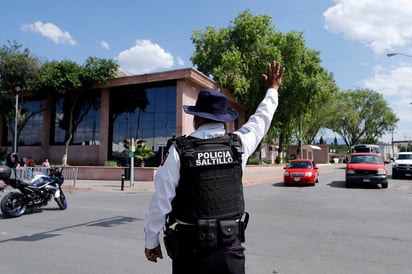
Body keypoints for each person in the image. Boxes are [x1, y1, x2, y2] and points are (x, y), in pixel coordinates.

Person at [144, 60, 285, 274]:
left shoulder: (179, 150)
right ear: (223, 119)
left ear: (196, 117)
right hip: (230, 250)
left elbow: (161, 201)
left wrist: (151, 240)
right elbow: (262, 118)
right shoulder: (239, 144)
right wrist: (272, 90)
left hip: (190, 253)